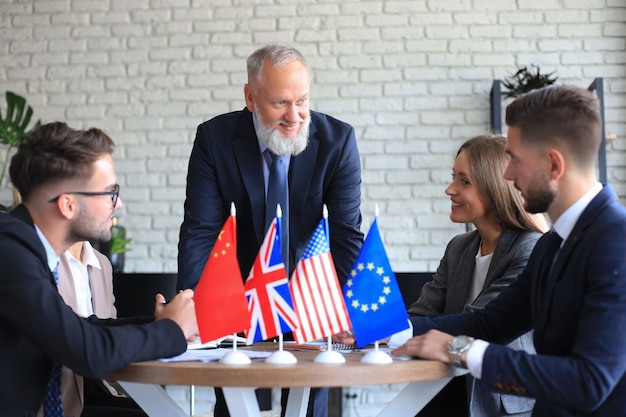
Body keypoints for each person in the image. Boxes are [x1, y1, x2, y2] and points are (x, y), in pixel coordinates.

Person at [391, 85, 626, 417]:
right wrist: (394, 329)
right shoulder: (552, 243)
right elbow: (490, 324)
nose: (507, 173)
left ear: (553, 165)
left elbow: (588, 383)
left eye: (515, 159)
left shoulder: (616, 240)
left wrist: (462, 351)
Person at [178, 43, 364, 417]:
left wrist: (351, 308)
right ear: (250, 97)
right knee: (235, 405)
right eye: (280, 103)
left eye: (302, 101)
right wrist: (191, 304)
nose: (294, 116)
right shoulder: (214, 140)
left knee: (313, 407)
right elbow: (201, 230)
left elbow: (345, 233)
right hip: (240, 296)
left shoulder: (337, 141)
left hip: (312, 296)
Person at [0, 121, 197, 415]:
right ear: (67, 205)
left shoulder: (27, 248)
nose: (118, 204)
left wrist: (156, 323)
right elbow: (86, 351)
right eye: (109, 192)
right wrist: (171, 331)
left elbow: (78, 326)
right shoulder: (9, 252)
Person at [388, 135, 547, 417]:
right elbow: (422, 312)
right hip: (443, 385)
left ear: (495, 188)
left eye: (464, 181)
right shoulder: (459, 248)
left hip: (498, 402)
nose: (450, 190)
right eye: (454, 178)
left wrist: (399, 329)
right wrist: (377, 328)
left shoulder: (530, 248)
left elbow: (482, 322)